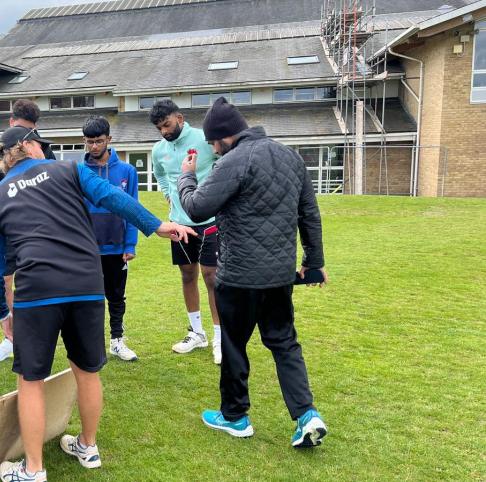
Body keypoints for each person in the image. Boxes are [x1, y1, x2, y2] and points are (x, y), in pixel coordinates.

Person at [0, 126, 195, 481]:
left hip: (38, 292)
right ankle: (88, 445)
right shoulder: (68, 168)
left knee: (30, 380)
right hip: (87, 283)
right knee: (87, 371)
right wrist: (156, 225)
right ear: (30, 146)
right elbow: (112, 196)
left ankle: (33, 470)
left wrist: (1, 313)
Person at [177, 97, 328, 447]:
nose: (213, 150)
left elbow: (197, 208)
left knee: (233, 345)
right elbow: (310, 213)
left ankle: (235, 416)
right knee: (284, 343)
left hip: (239, 276)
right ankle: (306, 414)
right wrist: (314, 261)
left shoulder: (234, 160)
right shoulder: (290, 156)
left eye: (214, 143)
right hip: (278, 276)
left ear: (225, 137)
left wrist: (186, 177)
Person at [0, 99, 56, 363]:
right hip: (6, 232)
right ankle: (12, 339)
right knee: (6, 282)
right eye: (18, 129)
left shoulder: (44, 153)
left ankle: (40, 335)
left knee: (39, 282)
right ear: (11, 123)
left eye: (29, 133)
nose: (21, 141)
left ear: (34, 131)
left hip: (39, 231)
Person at [149, 99, 223, 364]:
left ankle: (219, 337)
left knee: (211, 276)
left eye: (167, 124)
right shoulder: (159, 150)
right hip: (179, 223)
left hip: (210, 218)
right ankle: (198, 333)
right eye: (159, 128)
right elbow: (160, 174)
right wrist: (169, 193)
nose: (164, 132)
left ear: (179, 117)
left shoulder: (205, 139)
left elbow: (225, 161)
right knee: (187, 275)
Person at [81, 115, 139, 361]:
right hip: (86, 248)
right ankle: (90, 345)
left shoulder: (127, 171)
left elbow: (134, 209)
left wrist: (130, 244)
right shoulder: (79, 172)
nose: (94, 146)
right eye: (89, 142)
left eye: (98, 141)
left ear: (109, 139)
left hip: (116, 248)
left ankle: (117, 340)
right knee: (88, 299)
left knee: (116, 297)